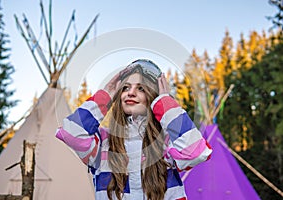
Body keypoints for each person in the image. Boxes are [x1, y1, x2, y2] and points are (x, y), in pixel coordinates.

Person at [56, 59, 212, 200]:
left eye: (141, 88)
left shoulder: (167, 141)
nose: (131, 93)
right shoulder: (103, 143)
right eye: (126, 88)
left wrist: (166, 105)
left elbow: (196, 153)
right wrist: (105, 96)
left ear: (153, 95)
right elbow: (71, 132)